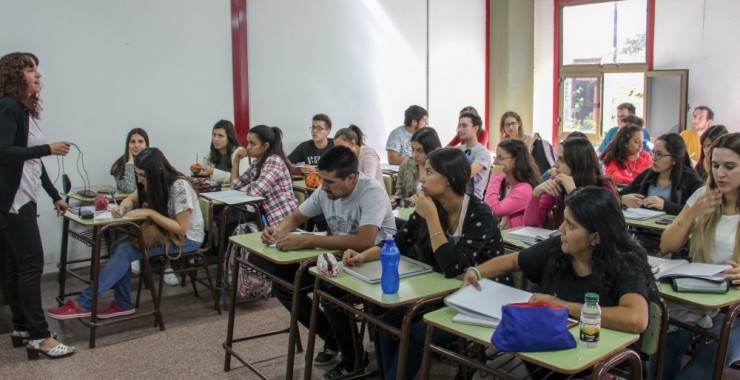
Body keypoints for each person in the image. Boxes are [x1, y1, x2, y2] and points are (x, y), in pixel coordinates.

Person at [343, 148, 512, 380]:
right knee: (386, 316)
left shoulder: (479, 214)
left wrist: (432, 218)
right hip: (442, 290)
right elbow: (398, 242)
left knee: (419, 331)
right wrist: (363, 256)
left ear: (450, 178)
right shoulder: (430, 206)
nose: (422, 178)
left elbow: (453, 266)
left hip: (480, 296)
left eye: (430, 172)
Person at [256, 146, 396, 378]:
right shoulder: (326, 191)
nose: (323, 186)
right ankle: (332, 336)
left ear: (351, 178)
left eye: (329, 181)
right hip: (341, 260)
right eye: (322, 179)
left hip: (374, 263)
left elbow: (365, 241)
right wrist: (278, 231)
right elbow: (297, 217)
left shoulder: (372, 192)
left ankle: (354, 360)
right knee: (281, 282)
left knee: (330, 292)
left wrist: (308, 240)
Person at [464, 187, 653, 347]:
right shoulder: (558, 247)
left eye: (571, 226)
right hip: (548, 346)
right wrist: (477, 271)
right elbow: (514, 261)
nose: (561, 228)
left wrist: (565, 306)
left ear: (595, 237)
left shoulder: (627, 262)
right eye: (564, 221)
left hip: (596, 354)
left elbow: (636, 319)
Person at [48, 148, 205, 321]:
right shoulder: (152, 181)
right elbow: (131, 199)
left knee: (125, 250)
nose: (139, 180)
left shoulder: (179, 186)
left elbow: (182, 228)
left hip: (188, 238)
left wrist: (150, 214)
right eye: (138, 175)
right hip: (168, 232)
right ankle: (122, 303)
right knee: (117, 246)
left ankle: (85, 302)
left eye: (143, 176)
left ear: (157, 172)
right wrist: (122, 208)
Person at [0, 52, 75, 359]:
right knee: (31, 265)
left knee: (17, 266)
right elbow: (3, 152)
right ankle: (40, 336)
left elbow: (32, 160)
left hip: (24, 198)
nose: (39, 75)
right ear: (16, 76)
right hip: (14, 201)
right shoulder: (8, 106)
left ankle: (22, 326)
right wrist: (49, 148)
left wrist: (54, 194)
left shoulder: (21, 109)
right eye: (31, 70)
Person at [659, 132, 740, 380]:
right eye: (715, 165)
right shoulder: (703, 197)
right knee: (662, 352)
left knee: (701, 369)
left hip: (733, 310)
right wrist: (693, 213)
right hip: (696, 297)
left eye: (730, 166)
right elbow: (666, 245)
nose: (720, 174)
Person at [524, 137, 619, 228]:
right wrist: (536, 193)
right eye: (557, 158)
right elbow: (530, 223)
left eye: (561, 160)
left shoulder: (604, 185)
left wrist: (574, 193)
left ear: (578, 163)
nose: (555, 165)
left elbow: (596, 224)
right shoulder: (558, 184)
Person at [230, 125, 298, 226]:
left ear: (265, 146)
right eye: (248, 142)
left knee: (232, 221)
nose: (248, 147)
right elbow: (234, 185)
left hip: (282, 218)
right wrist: (236, 161)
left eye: (252, 144)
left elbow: (255, 191)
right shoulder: (257, 162)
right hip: (266, 217)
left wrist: (250, 186)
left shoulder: (274, 160)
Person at [620, 133, 703, 216]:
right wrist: (622, 199)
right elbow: (619, 195)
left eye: (659, 154)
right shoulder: (647, 175)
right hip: (644, 228)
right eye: (653, 153)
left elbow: (697, 210)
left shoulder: (690, 179)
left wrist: (665, 205)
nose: (653, 158)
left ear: (675, 158)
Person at [485, 139, 541, 229]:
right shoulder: (508, 184)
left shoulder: (524, 189)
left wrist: (495, 177)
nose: (495, 162)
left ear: (515, 160)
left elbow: (491, 210)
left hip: (516, 240)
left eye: (500, 158)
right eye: (495, 157)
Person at [392, 127, 441, 208]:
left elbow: (440, 200)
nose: (414, 155)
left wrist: (414, 200)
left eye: (419, 150)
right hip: (406, 212)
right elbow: (399, 194)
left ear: (431, 149)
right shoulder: (406, 164)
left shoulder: (441, 168)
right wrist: (396, 200)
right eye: (412, 149)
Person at [456, 112, 491, 199]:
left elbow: (467, 174)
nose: (460, 129)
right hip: (456, 198)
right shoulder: (458, 149)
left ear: (475, 128)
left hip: (473, 201)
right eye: (459, 126)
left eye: (464, 126)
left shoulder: (482, 152)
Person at [110, 128, 149, 194]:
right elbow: (129, 189)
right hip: (127, 203)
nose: (136, 145)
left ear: (146, 144)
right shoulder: (119, 166)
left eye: (140, 141)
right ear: (128, 144)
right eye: (133, 142)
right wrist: (130, 164)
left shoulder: (153, 162)